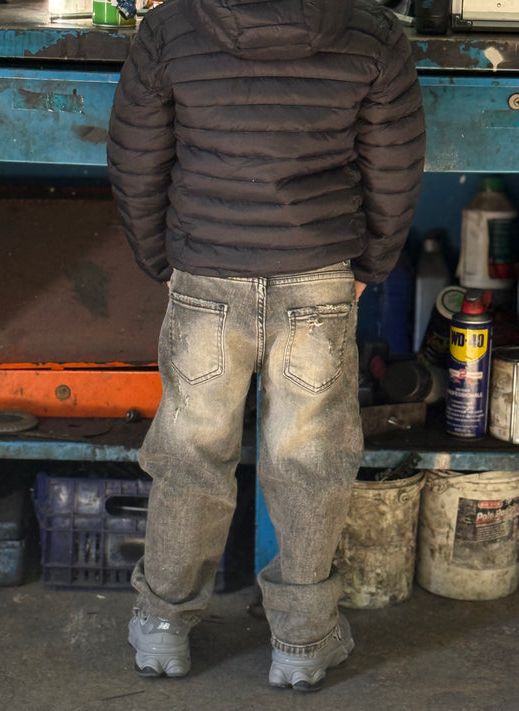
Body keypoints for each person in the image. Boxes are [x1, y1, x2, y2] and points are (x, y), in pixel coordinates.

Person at [107, 0, 425, 691]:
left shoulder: (170, 28)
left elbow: (137, 160)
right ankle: (303, 639)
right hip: (318, 274)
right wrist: (368, 266)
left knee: (189, 454)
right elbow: (394, 168)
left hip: (205, 271)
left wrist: (163, 259)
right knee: (309, 460)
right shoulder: (371, 32)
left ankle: (162, 623)